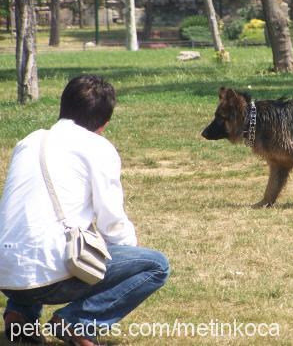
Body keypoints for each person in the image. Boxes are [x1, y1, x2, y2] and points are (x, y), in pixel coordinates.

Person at [0, 75, 169, 346]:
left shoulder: (28, 142)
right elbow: (111, 223)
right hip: (51, 276)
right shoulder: (97, 147)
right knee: (155, 266)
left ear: (63, 106)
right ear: (103, 124)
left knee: (33, 234)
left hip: (5, 272)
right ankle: (78, 322)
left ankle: (20, 313)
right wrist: (129, 254)